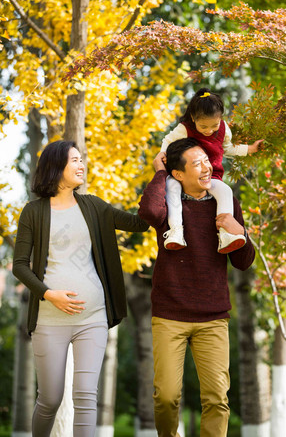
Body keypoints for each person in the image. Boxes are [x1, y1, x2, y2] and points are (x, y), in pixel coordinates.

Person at [12, 140, 149, 437]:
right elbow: (19, 265)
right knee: (49, 399)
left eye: (81, 159)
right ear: (55, 167)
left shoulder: (94, 206)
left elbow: (140, 223)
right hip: (50, 319)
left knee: (86, 397)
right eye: (74, 160)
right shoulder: (33, 212)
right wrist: (50, 294)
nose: (81, 164)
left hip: (93, 316)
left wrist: (162, 179)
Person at [138, 138, 255, 437]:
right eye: (197, 163)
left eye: (206, 159)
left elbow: (243, 262)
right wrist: (160, 173)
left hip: (213, 317)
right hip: (170, 314)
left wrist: (241, 232)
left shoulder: (224, 202)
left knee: (217, 399)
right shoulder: (166, 203)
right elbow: (149, 213)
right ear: (178, 174)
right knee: (166, 397)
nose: (207, 167)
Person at [154, 87, 263, 253]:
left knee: (225, 191)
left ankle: (226, 233)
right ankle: (176, 231)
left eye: (214, 125)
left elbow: (227, 148)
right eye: (203, 126)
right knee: (172, 187)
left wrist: (250, 149)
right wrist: (163, 154)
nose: (209, 131)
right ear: (193, 118)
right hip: (183, 176)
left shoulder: (224, 129)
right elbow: (168, 140)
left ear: (221, 119)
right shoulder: (185, 128)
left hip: (210, 177)